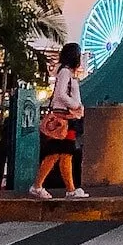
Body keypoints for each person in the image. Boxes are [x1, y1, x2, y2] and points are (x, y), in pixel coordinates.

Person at [30, 43, 88, 199]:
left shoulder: (68, 73)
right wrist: (77, 106)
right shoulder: (65, 73)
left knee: (65, 154)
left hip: (68, 118)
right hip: (63, 118)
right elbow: (60, 94)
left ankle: (70, 188)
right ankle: (37, 185)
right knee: (55, 154)